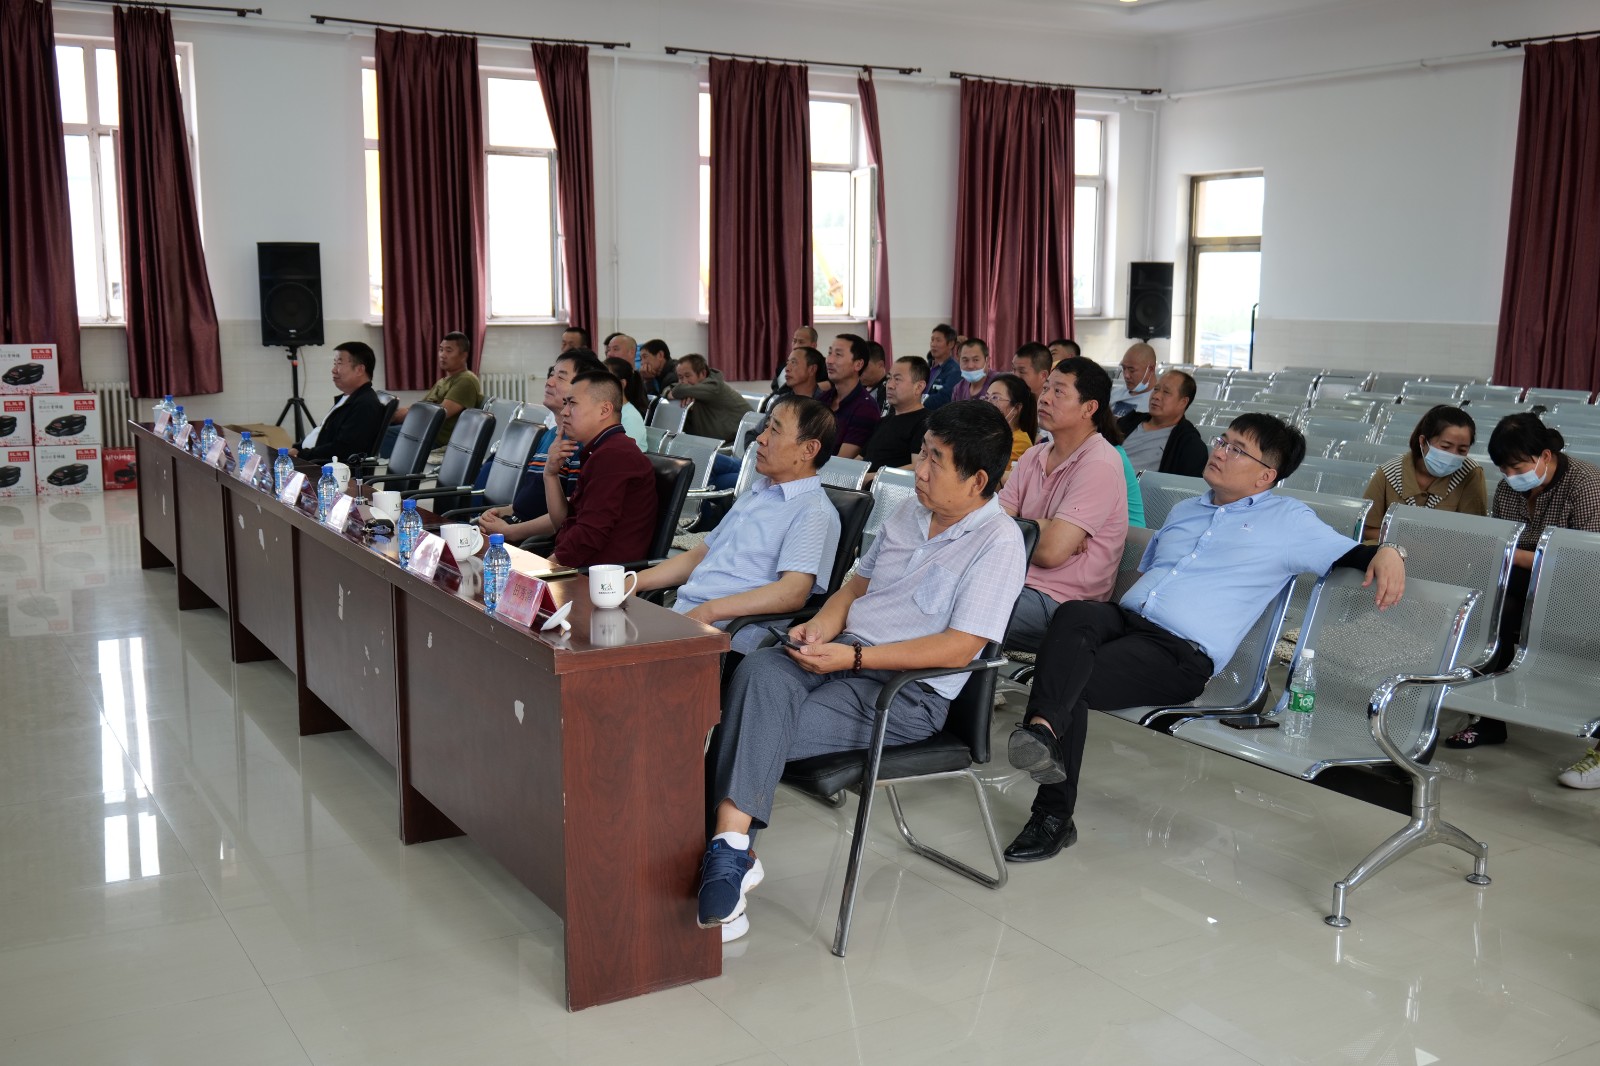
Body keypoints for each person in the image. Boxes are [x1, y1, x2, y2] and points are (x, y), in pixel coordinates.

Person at [1001, 413, 1409, 862]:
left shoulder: (1288, 521)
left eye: (1237, 449)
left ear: (1265, 476)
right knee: (1077, 613)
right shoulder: (1185, 510)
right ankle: (1042, 731)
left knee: (1071, 678)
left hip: (1178, 654)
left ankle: (1052, 814)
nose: (1220, 452)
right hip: (1126, 621)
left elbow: (1352, 553)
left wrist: (1392, 551)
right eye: (1223, 441)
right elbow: (1147, 576)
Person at [697, 401, 1027, 938]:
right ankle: (731, 851)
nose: (919, 469)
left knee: (749, 725)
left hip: (903, 695)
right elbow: (856, 588)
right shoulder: (910, 512)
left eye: (936, 460)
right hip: (844, 655)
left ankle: (720, 863)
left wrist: (853, 658)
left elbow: (959, 648)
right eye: (922, 452)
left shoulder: (998, 542)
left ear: (977, 481)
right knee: (758, 670)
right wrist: (822, 627)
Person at [1444, 413, 1600, 773]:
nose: (1511, 477)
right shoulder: (1508, 489)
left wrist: (1512, 554)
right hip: (1526, 578)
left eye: (1517, 468)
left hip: (1579, 586)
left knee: (1507, 604)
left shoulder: (1585, 484)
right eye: (1504, 470)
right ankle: (1488, 717)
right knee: (1490, 608)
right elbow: (1501, 542)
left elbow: (1585, 560)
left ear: (1544, 456)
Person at [636, 396, 841, 656]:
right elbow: (699, 557)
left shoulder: (813, 511)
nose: (760, 438)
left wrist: (709, 612)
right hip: (686, 617)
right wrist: (630, 583)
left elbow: (792, 592)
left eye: (775, 430)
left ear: (809, 449)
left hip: (727, 637)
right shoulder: (757, 493)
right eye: (766, 427)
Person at [999, 357, 1129, 653]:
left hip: (1060, 605)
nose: (1044, 398)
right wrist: (1043, 527)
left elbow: (1050, 553)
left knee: (949, 605)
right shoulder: (1034, 456)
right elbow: (988, 530)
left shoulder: (1099, 464)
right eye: (1046, 388)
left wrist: (1023, 531)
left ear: (1089, 408)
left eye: (1059, 391)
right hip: (1012, 581)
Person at [487, 371, 657, 568]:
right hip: (579, 565)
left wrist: (544, 570)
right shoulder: (599, 450)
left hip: (597, 575)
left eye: (573, 404)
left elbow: (589, 534)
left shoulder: (614, 455)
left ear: (604, 410)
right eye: (565, 403)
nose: (565, 412)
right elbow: (563, 522)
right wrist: (550, 474)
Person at [478, 350, 604, 545]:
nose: (549, 382)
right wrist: (502, 511)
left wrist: (510, 531)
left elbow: (568, 515)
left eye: (560, 377)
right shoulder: (548, 435)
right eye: (551, 374)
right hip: (515, 527)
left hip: (534, 542)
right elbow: (533, 500)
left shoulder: (581, 444)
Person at [1360, 405, 1486, 544]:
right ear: (1423, 442)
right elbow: (1367, 528)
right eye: (1445, 447)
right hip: (1392, 551)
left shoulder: (1469, 474)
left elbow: (1474, 534)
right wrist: (1402, 541)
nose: (1452, 455)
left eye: (1462, 450)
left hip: (1445, 553)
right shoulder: (1390, 473)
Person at [385, 332, 483, 453]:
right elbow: (421, 406)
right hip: (424, 432)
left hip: (435, 439)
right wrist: (396, 413)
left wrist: (403, 416)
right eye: (441, 350)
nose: (442, 355)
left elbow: (439, 414)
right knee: (383, 426)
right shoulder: (443, 381)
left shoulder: (466, 380)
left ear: (463, 355)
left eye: (449, 351)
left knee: (385, 433)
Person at [290, 342, 386, 464]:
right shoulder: (348, 398)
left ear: (359, 370)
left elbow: (344, 449)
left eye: (339, 364)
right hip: (311, 460)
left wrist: (301, 455)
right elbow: (324, 434)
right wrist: (298, 448)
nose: (334, 370)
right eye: (334, 364)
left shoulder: (365, 404)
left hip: (324, 468)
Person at [1117, 369, 1209, 477]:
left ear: (1183, 402)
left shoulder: (1189, 445)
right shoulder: (1130, 420)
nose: (1156, 396)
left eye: (1166, 392)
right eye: (1156, 389)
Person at [814, 335, 881, 459]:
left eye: (838, 355)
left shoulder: (866, 408)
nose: (829, 360)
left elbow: (843, 461)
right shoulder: (823, 399)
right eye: (829, 353)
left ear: (858, 364)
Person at [861, 356, 929, 472]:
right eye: (889, 378)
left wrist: (870, 478)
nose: (889, 385)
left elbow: (917, 466)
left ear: (919, 387)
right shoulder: (884, 421)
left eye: (897, 379)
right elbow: (862, 457)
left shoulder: (926, 422)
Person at [668, 354, 750, 444]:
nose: (683, 381)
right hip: (717, 441)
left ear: (703, 373)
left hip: (740, 441)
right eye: (680, 377)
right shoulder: (694, 389)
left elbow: (678, 390)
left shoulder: (714, 387)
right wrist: (670, 392)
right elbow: (670, 387)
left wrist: (676, 392)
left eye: (687, 376)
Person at [982, 373, 1037, 469]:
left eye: (995, 398)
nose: (988, 403)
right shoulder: (990, 434)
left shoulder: (1020, 443)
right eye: (987, 397)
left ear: (1016, 408)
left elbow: (992, 473)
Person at [604, 355, 650, 449]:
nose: (597, 384)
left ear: (621, 384)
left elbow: (622, 452)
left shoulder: (630, 417)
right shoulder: (606, 410)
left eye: (604, 379)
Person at [1109, 342, 1157, 418]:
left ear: (1150, 369)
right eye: (1124, 368)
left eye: (1132, 370)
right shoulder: (1115, 393)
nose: (1126, 375)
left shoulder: (1157, 403)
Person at [922, 324, 963, 410]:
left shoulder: (955, 371)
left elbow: (944, 398)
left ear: (951, 344)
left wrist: (916, 405)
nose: (933, 344)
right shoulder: (926, 367)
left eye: (938, 340)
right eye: (932, 340)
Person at [949, 338, 998, 404]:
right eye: (965, 360)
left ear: (987, 361)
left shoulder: (1000, 383)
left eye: (976, 360)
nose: (970, 366)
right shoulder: (958, 389)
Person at [773, 325, 820, 392]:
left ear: (813, 346)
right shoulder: (783, 366)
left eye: (801, 342)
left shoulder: (822, 368)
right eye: (794, 341)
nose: (796, 346)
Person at [860, 342, 889, 411]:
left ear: (880, 365)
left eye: (864, 367)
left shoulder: (889, 390)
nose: (859, 371)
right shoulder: (856, 388)